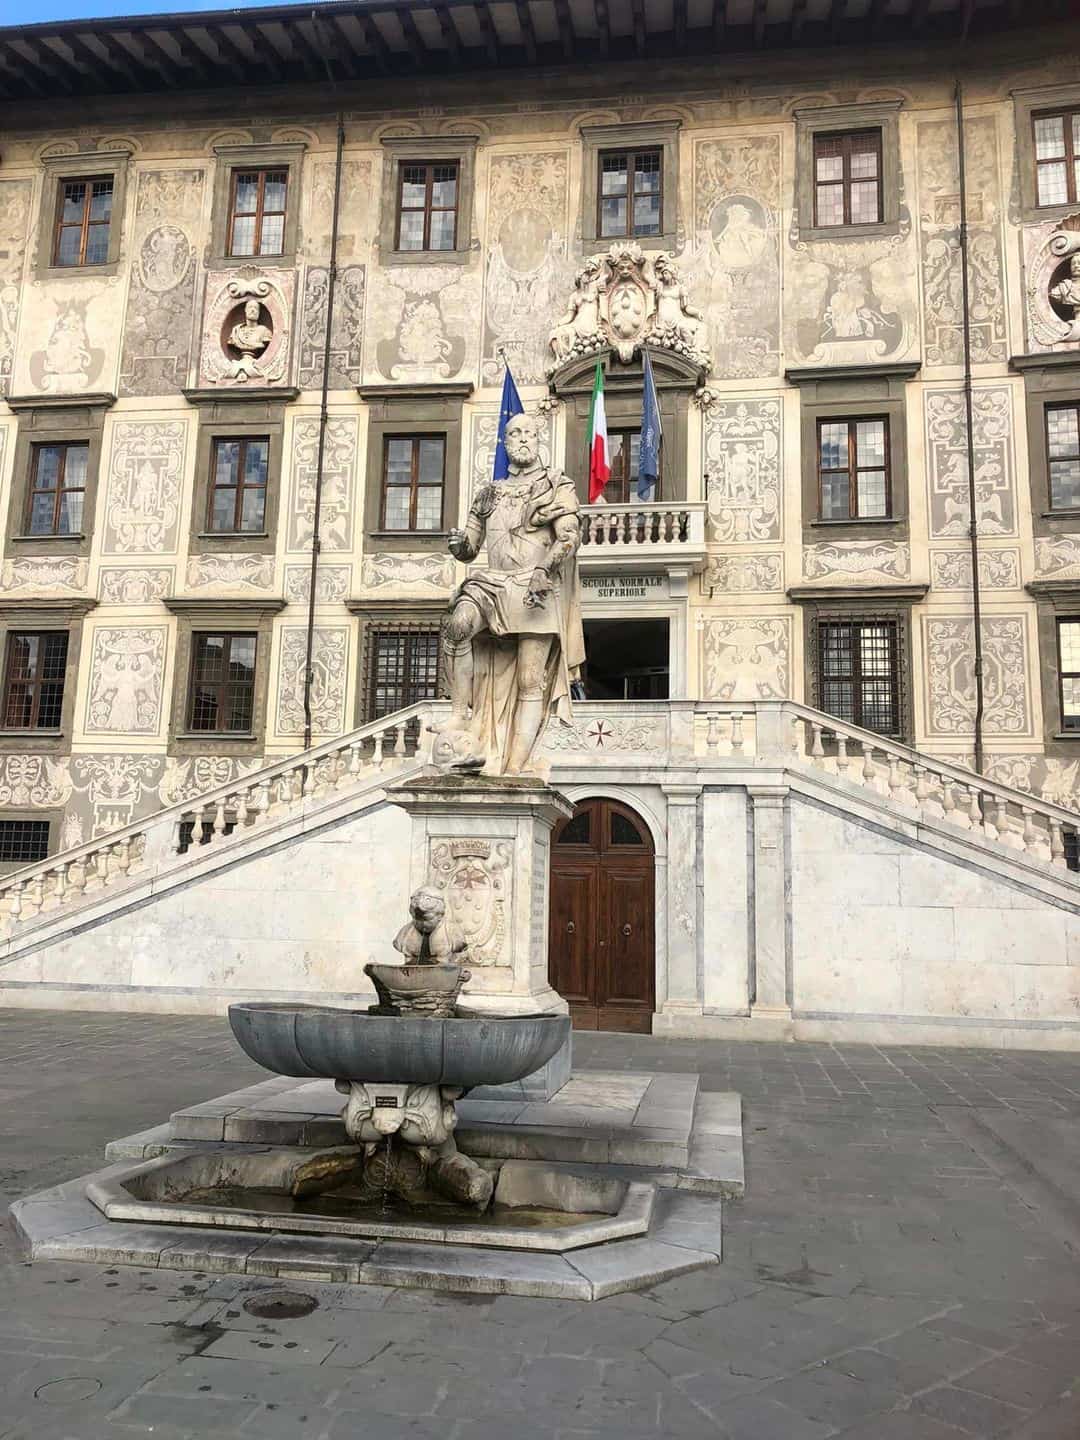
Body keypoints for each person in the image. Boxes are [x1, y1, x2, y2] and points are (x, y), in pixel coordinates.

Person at [436, 412, 585, 775]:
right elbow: (470, 548)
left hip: (535, 586)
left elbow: (569, 536)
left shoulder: (556, 485)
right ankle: (458, 714)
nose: (521, 439)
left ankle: (516, 766)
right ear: (505, 443)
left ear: (537, 440)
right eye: (514, 433)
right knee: (458, 625)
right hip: (493, 583)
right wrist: (458, 544)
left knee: (530, 681)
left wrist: (543, 570)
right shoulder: (489, 492)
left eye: (528, 433)